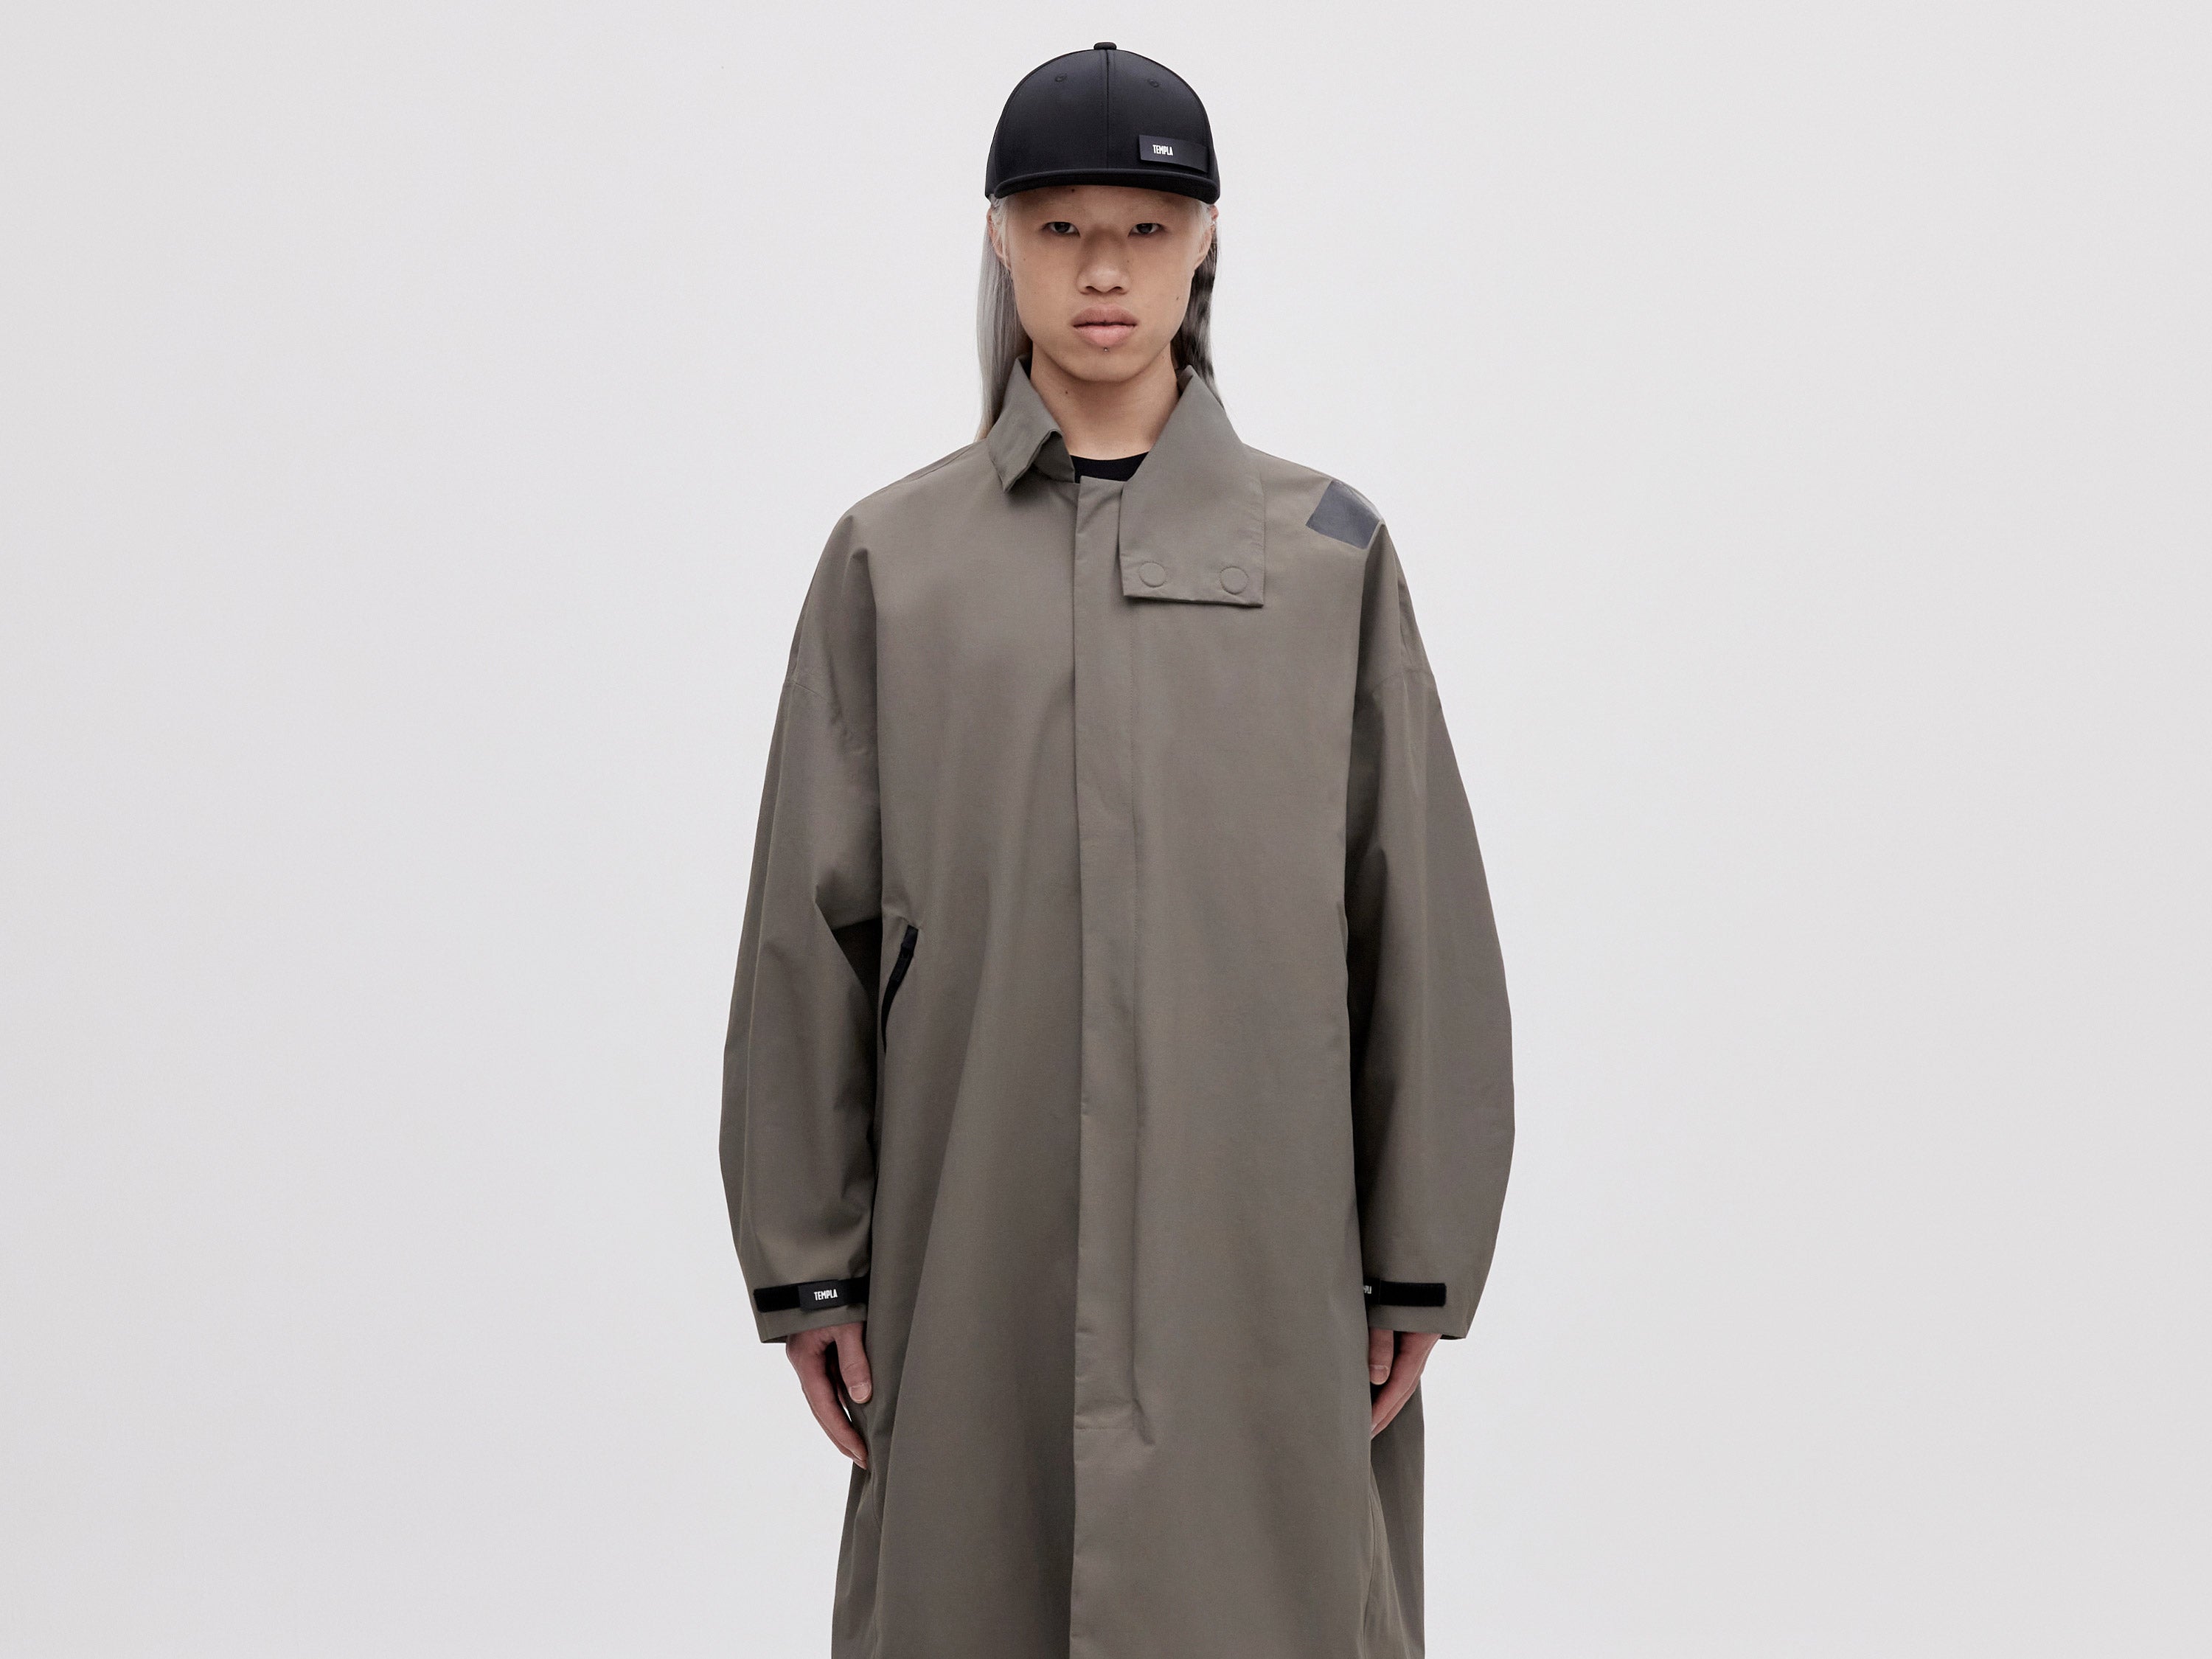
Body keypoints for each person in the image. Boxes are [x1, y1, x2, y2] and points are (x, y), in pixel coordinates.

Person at [720, 44, 1514, 1659]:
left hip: (1260, 1240)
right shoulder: (896, 564)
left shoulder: (1325, 560)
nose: (1103, 270)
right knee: (970, 1584)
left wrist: (1419, 1259)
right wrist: (809, 1266)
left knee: (1272, 1594)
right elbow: (810, 927)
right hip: (975, 1235)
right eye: (1060, 226)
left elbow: (1414, 914)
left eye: (1146, 228)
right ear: (998, 240)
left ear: (1207, 242)